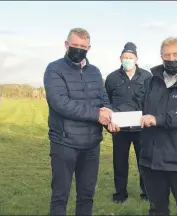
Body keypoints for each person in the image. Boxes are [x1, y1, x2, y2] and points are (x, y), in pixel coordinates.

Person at [108, 37, 177, 215]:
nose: (171, 59)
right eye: (167, 55)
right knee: (156, 210)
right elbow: (135, 104)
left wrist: (157, 119)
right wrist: (114, 116)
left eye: (176, 54)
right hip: (152, 161)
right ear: (161, 57)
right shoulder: (151, 81)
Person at [43, 27, 112, 216]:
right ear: (66, 45)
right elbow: (60, 103)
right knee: (60, 196)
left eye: (83, 46)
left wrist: (109, 119)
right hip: (65, 142)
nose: (79, 49)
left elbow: (103, 99)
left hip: (91, 145)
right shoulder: (54, 69)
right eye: (75, 45)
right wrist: (97, 114)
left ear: (89, 47)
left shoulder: (95, 72)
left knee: (87, 195)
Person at [104, 42, 152, 203]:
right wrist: (110, 122)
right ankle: (120, 194)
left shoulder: (147, 77)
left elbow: (151, 101)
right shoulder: (111, 78)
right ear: (120, 58)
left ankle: (146, 193)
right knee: (119, 163)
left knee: (144, 162)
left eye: (130, 57)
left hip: (141, 129)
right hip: (120, 130)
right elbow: (106, 102)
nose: (127, 60)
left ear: (136, 59)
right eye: (125, 57)